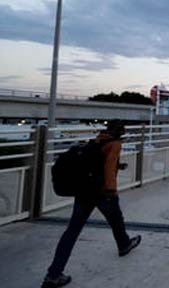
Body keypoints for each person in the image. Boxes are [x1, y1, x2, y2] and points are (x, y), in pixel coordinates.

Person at [41, 120, 141, 288]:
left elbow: (99, 163)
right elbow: (108, 168)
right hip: (101, 192)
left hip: (84, 191)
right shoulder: (115, 144)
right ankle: (124, 245)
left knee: (72, 231)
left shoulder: (97, 140)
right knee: (116, 220)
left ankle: (53, 274)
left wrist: (119, 165)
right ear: (120, 133)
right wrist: (111, 192)